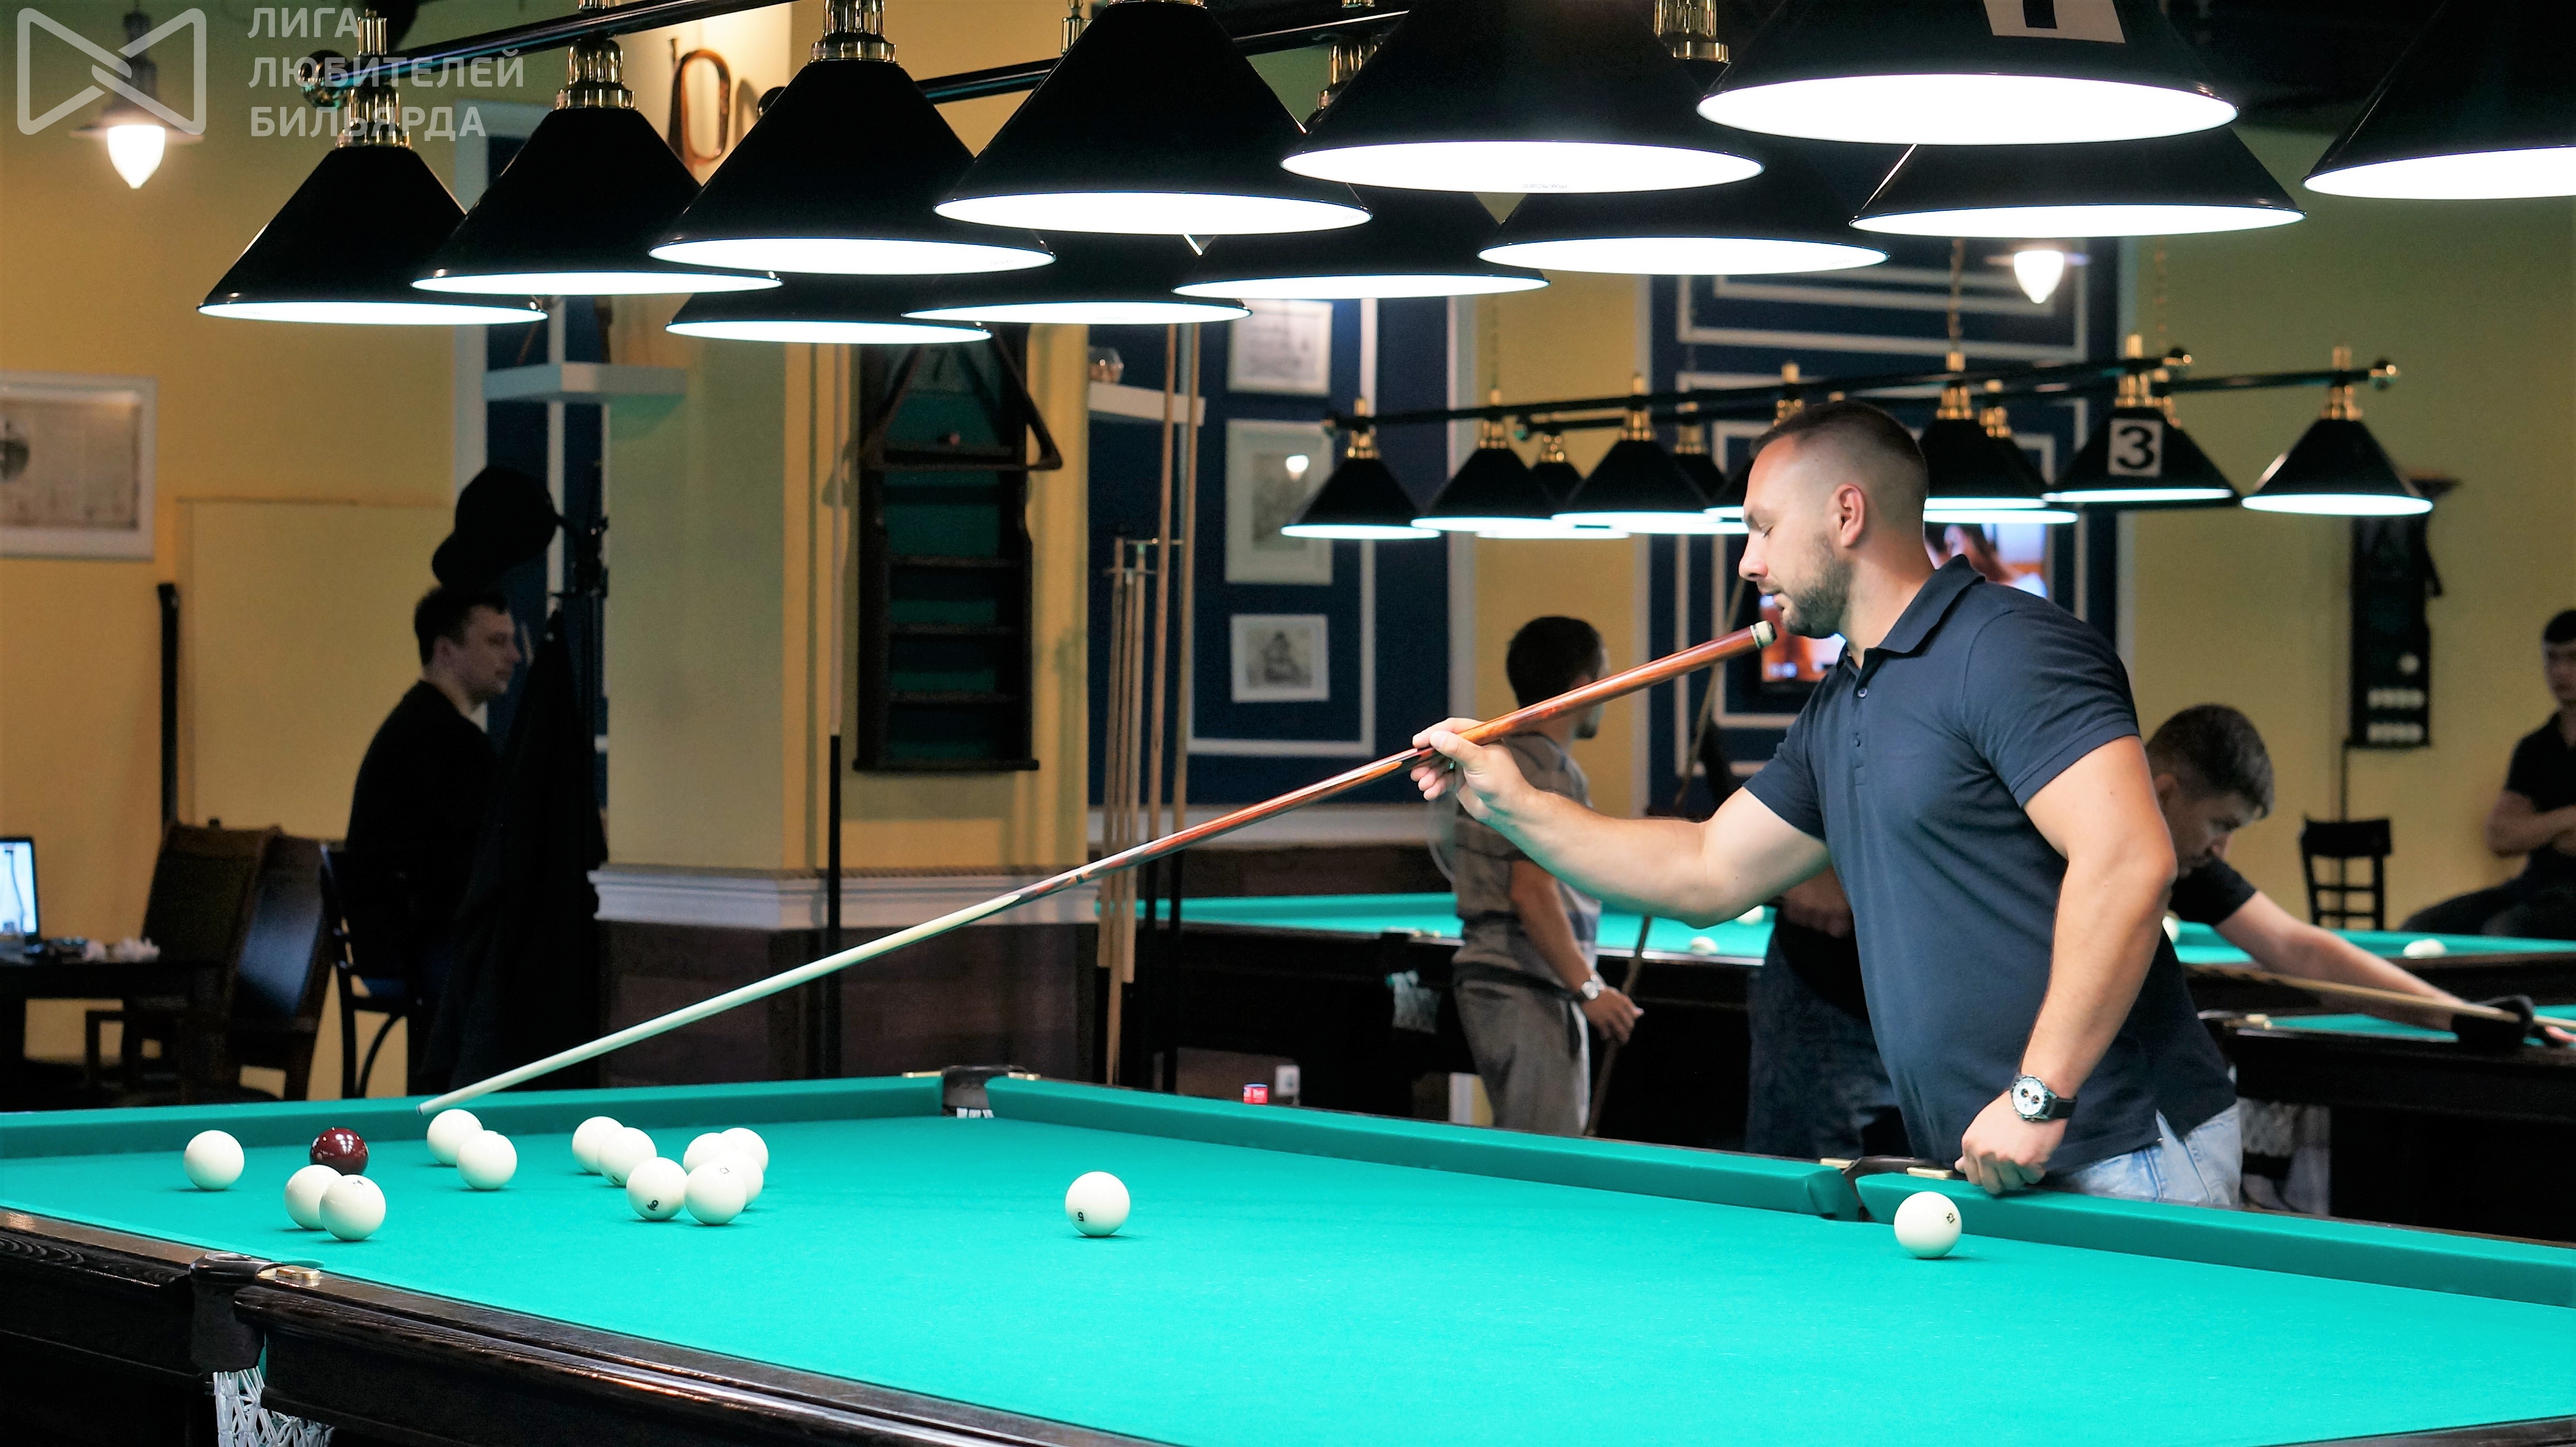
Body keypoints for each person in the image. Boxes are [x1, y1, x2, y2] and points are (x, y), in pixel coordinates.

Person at [1413, 399, 2240, 1204]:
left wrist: (2038, 1095)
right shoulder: (1845, 700)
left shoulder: (2009, 647)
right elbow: (1705, 869)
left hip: (2121, 1144)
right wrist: (1516, 803)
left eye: (1764, 528)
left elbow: (2130, 859)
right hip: (1997, 1155)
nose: (1749, 561)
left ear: (1847, 514)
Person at [1430, 617, 1642, 1136]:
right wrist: (1589, 989)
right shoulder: (1547, 771)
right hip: (1526, 985)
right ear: (1583, 687)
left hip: (1501, 981)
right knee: (1547, 1158)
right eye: (1604, 678)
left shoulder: (1497, 759)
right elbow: (1532, 893)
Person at [345, 585, 521, 1055]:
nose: (515, 656)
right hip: (420, 955)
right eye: (496, 642)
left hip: (387, 952)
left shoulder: (413, 726)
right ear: (445, 650)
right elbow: (494, 857)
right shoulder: (449, 743)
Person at [2402, 610, 2576, 940]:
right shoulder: (2537, 747)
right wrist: (2569, 819)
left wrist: (2537, 827)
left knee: (2506, 931)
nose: (2560, 671)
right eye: (2552, 658)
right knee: (2423, 928)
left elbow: (2519, 831)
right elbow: (2501, 837)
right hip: (2536, 885)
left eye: (2573, 658)